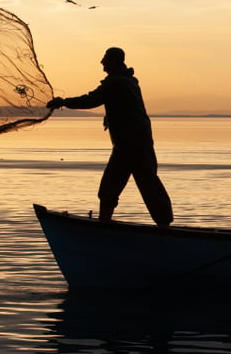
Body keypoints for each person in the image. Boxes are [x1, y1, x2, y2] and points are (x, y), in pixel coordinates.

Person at [47, 47, 174, 226]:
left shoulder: (116, 83)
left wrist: (63, 102)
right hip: (141, 141)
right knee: (149, 182)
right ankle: (165, 225)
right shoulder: (129, 81)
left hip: (127, 144)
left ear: (114, 61)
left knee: (110, 187)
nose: (101, 62)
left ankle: (104, 226)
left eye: (105, 58)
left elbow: (90, 100)